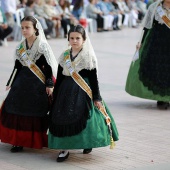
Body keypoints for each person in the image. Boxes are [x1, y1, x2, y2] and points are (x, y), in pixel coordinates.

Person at [48, 24, 119, 162]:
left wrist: (97, 97)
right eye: (71, 38)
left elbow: (94, 79)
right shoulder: (64, 56)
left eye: (77, 38)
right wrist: (56, 95)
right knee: (62, 118)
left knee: (85, 117)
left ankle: (87, 143)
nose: (74, 41)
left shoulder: (88, 56)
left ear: (84, 39)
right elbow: (60, 76)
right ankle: (64, 148)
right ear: (68, 39)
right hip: (65, 91)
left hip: (83, 90)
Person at [0, 16, 57, 152]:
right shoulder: (20, 46)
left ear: (35, 29)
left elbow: (49, 67)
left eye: (27, 28)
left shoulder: (42, 46)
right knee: (16, 108)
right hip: (22, 82)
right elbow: (17, 66)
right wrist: (10, 82)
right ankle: (18, 141)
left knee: (36, 109)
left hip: (38, 83)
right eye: (22, 28)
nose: (24, 30)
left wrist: (49, 84)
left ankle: (38, 139)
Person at [125, 0, 170, 109]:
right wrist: (141, 42)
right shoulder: (154, 7)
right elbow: (147, 26)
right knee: (160, 70)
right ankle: (162, 97)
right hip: (157, 43)